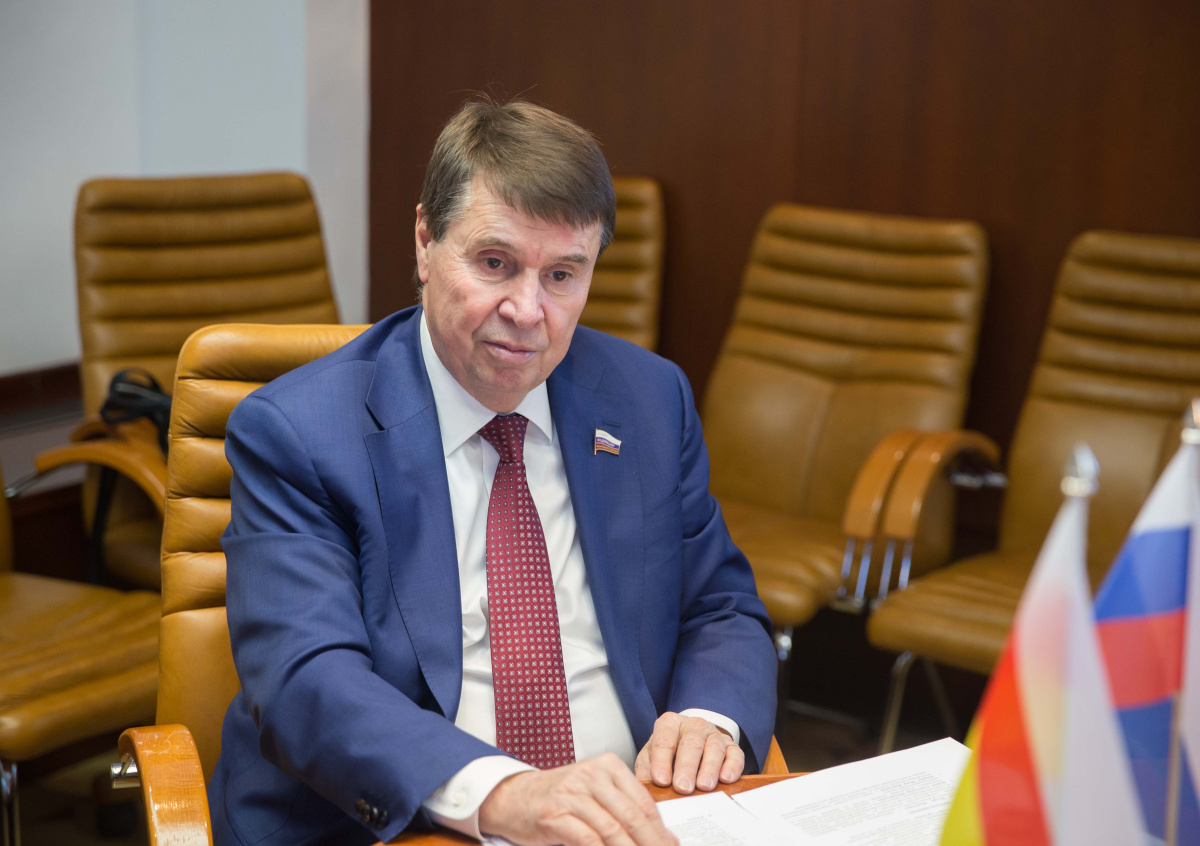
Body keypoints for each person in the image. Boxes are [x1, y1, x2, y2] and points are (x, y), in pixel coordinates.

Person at [209, 97, 776, 846]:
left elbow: (720, 606)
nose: (528, 310)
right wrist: (504, 792)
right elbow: (306, 680)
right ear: (425, 241)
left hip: (631, 815)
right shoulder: (300, 433)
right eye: (495, 263)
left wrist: (707, 719)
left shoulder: (646, 398)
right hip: (405, 825)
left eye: (562, 275)